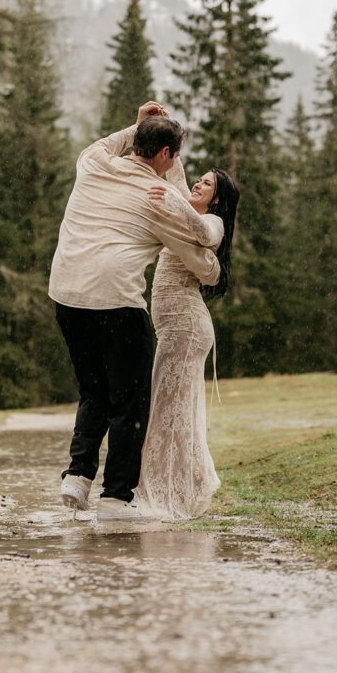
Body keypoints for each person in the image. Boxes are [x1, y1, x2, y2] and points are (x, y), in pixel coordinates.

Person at [49, 102, 220, 521]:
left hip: (67, 293)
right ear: (165, 154)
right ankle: (116, 497)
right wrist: (213, 268)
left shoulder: (93, 163)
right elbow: (199, 248)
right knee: (130, 401)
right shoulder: (159, 197)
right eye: (175, 156)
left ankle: (78, 476)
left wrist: (138, 124)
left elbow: (108, 144)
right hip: (115, 301)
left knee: (93, 390)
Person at [136, 156, 239, 520]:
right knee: (171, 409)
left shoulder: (213, 222)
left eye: (206, 184)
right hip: (174, 327)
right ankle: (179, 486)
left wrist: (172, 197)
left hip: (187, 327)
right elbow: (177, 178)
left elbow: (205, 233)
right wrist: (170, 149)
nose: (197, 184)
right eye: (199, 179)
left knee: (168, 410)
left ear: (217, 199)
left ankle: (169, 495)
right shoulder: (188, 209)